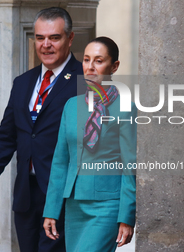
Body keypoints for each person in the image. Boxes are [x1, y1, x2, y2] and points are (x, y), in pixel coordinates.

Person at [0, 7, 83, 252]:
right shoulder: (23, 82)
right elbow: (6, 137)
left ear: (70, 38)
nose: (46, 45)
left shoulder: (86, 81)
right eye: (40, 38)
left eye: (54, 37)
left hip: (63, 196)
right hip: (26, 197)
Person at [43, 36, 136, 251]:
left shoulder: (126, 107)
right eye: (86, 60)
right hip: (75, 204)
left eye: (98, 60)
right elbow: (60, 161)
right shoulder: (71, 106)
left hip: (107, 206)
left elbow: (130, 166)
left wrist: (126, 216)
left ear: (114, 66)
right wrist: (51, 209)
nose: (90, 67)